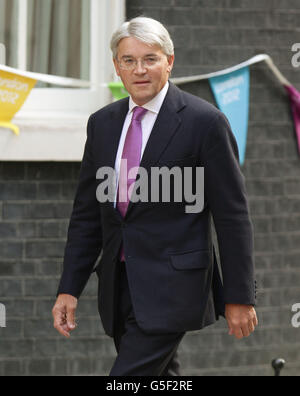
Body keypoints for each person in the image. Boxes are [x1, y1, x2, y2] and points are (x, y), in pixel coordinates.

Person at [52, 16, 258, 376]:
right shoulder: (102, 124)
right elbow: (87, 215)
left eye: (150, 58)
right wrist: (69, 288)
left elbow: (232, 216)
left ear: (170, 61)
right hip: (118, 284)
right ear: (117, 66)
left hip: (173, 287)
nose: (140, 69)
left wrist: (239, 295)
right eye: (129, 60)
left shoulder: (204, 123)